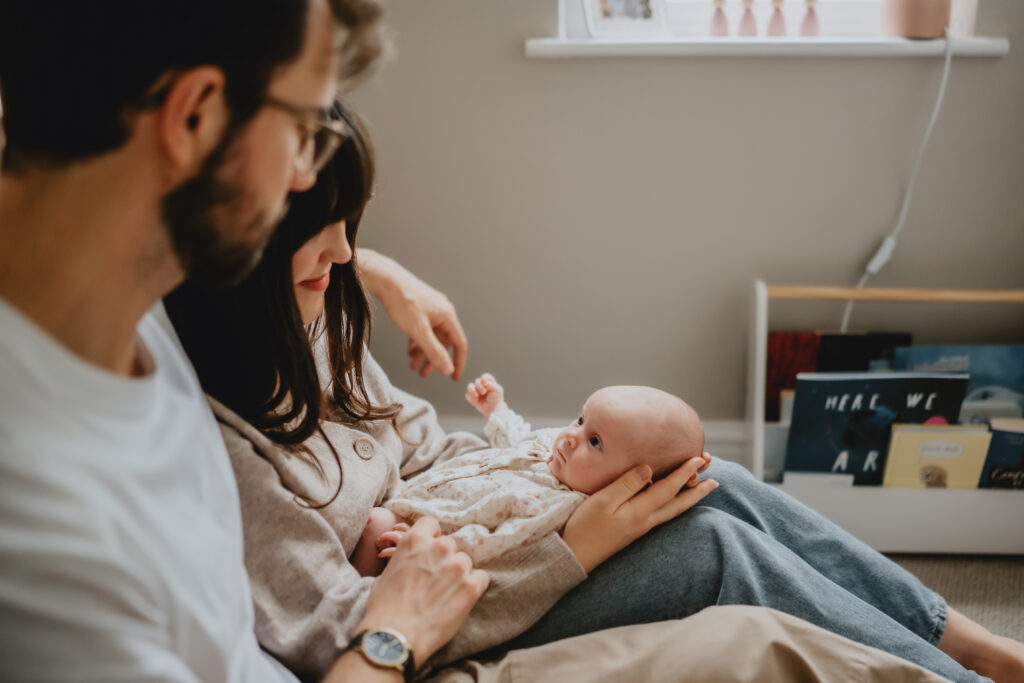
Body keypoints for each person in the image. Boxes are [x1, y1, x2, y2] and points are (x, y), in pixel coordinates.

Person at [163, 100, 1023, 681]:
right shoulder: (222, 446)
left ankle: (979, 645)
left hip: (487, 530)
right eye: (322, 239)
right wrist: (572, 543)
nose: (348, 257)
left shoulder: (309, 315)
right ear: (242, 255)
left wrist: (547, 463)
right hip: (462, 608)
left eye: (352, 231)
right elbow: (341, 631)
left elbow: (419, 444)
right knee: (711, 549)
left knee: (722, 485)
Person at [360, 374, 708, 571]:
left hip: (416, 530)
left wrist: (432, 546)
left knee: (372, 526)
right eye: (581, 419)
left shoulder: (558, 510)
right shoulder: (559, 449)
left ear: (629, 484)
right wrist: (496, 409)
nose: (572, 437)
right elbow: (519, 436)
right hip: (421, 488)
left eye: (596, 442)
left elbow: (494, 546)